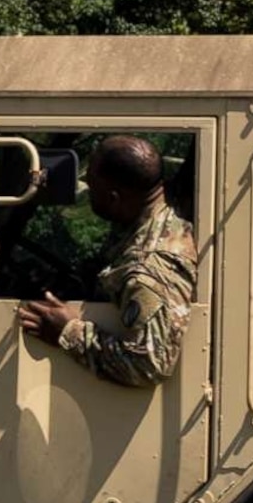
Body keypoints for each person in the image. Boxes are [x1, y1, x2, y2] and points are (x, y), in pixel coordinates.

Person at [15, 135, 196, 386]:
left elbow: (151, 364)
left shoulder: (147, 267)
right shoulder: (163, 201)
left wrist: (68, 332)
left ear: (114, 198)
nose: (86, 186)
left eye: (92, 186)